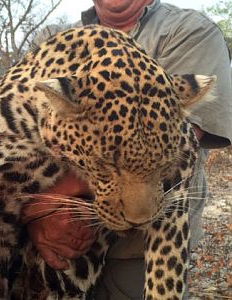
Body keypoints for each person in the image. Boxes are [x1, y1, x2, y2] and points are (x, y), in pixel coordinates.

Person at [22, 0, 232, 298]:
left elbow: (180, 136)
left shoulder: (189, 31)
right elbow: (23, 132)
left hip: (144, 251)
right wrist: (36, 216)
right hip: (58, 242)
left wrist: (42, 205)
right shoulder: (52, 37)